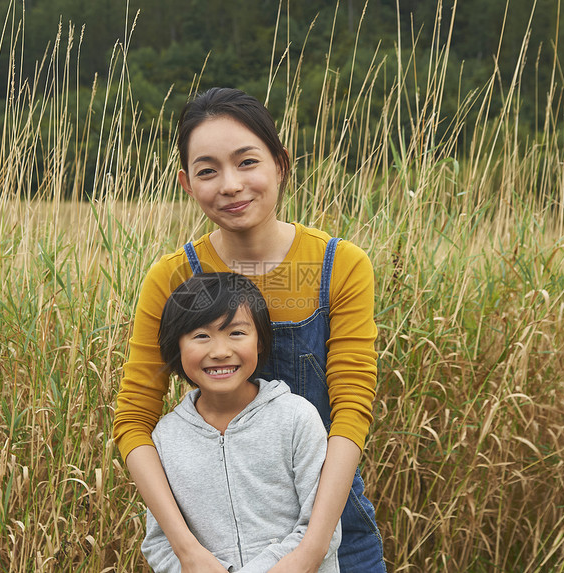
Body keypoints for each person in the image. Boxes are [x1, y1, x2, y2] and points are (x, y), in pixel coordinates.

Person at [113, 87, 384, 572]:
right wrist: (188, 551)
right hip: (212, 542)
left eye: (247, 162)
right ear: (186, 183)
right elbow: (133, 420)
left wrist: (310, 552)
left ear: (280, 163)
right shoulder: (174, 277)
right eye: (208, 170)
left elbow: (352, 409)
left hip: (331, 524)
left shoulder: (337, 266)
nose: (231, 185)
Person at [141, 272, 341, 572]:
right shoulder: (166, 439)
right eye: (201, 336)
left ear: (260, 341)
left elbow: (320, 527)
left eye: (236, 333)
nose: (220, 351)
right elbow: (158, 542)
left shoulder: (296, 418)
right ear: (176, 347)